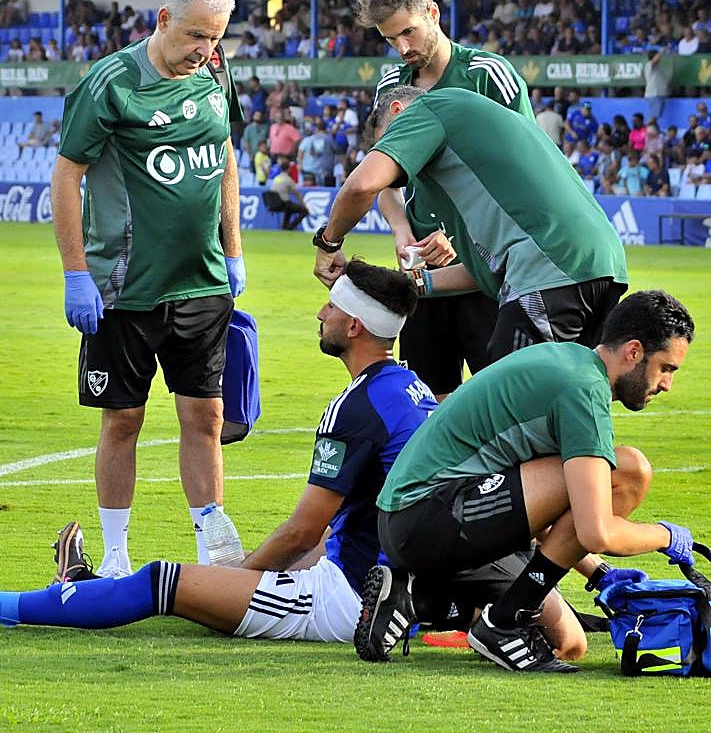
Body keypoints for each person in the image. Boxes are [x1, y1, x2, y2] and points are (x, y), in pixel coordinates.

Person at [1, 261, 593, 659]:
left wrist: (244, 575)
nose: (320, 315)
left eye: (330, 307)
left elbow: (303, 529)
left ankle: (15, 607)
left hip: (348, 597)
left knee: (164, 583)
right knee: (211, 583)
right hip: (404, 571)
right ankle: (86, 590)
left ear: (354, 324)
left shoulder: (358, 406)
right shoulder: (411, 388)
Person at [355, 290, 697, 673]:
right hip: (427, 517)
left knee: (568, 642)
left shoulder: (572, 363)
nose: (666, 384)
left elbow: (546, 508)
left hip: (429, 520)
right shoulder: (583, 390)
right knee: (628, 470)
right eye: (666, 368)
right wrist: (669, 536)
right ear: (634, 352)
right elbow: (596, 530)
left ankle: (416, 600)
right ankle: (501, 624)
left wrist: (600, 574)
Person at [49, 0, 246, 579]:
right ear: (162, 21)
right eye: (194, 37)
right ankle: (113, 554)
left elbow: (227, 156)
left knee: (206, 418)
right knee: (124, 420)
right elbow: (66, 177)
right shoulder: (110, 83)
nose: (204, 52)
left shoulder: (215, 70)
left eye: (215, 39)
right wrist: (75, 272)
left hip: (204, 283)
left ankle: (212, 545)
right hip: (125, 290)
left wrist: (233, 250)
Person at [313, 85, 628, 363]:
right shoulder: (478, 162)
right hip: (602, 265)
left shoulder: (428, 109)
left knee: (513, 406)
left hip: (550, 268)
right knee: (571, 400)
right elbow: (484, 271)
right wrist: (414, 285)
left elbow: (361, 186)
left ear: (398, 112)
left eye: (390, 147)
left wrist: (329, 244)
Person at [357, 0, 534, 399]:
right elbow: (385, 180)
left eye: (408, 33)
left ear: (433, 13)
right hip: (421, 272)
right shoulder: (391, 85)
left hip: (487, 270)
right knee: (430, 402)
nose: (402, 48)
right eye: (390, 40)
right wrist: (401, 231)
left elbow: (529, 176)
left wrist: (465, 233)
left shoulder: (488, 76)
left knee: (503, 401)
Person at [268, 157, 310, 230]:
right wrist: (304, 206)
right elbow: (297, 195)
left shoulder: (276, 178)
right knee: (304, 211)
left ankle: (284, 227)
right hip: (282, 203)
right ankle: (290, 227)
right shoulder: (288, 180)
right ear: (289, 169)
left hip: (272, 203)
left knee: (289, 209)